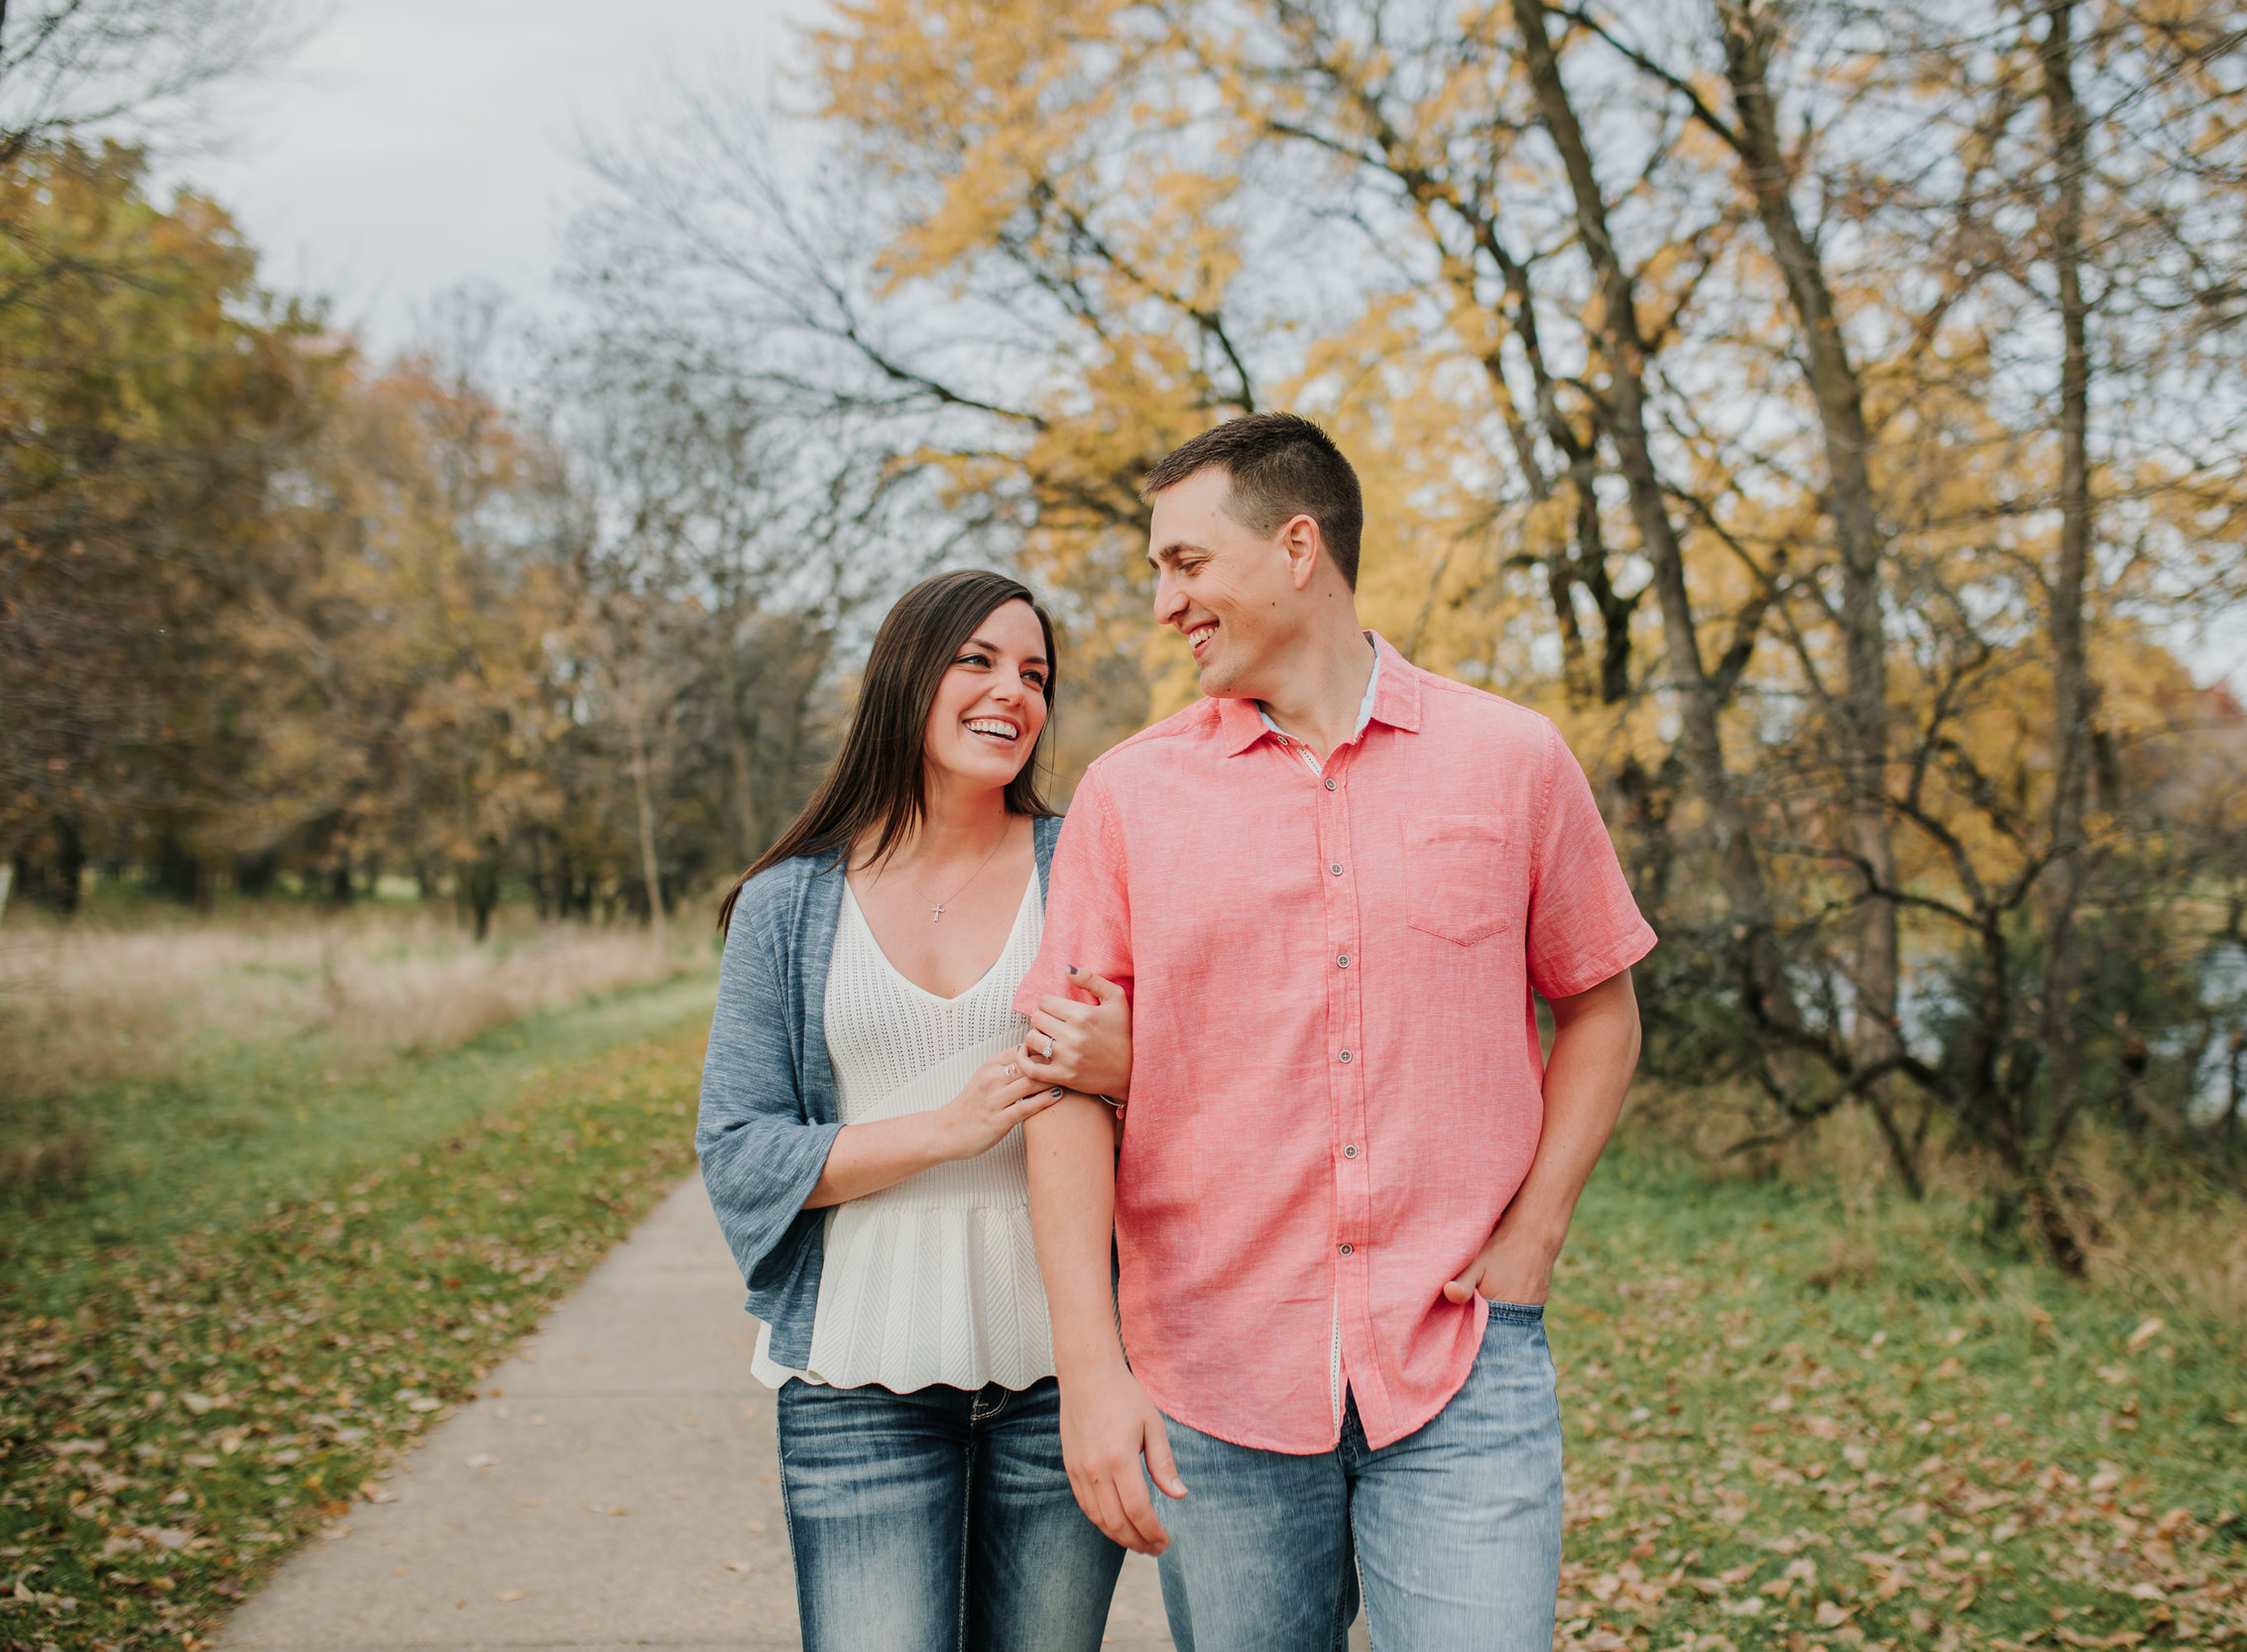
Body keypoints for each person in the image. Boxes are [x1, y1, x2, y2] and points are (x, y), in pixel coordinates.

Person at [1015, 414, 1655, 1652]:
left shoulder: (1511, 759)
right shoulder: (1129, 798)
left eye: (1186, 563)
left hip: (1460, 1361)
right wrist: (1090, 1371)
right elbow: (1063, 1091)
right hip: (1214, 1384)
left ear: (1297, 546)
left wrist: (1535, 1235)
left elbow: (1599, 1004)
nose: (1165, 602)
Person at [696, 569, 1133, 1652]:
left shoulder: (1082, 860)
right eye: (977, 660)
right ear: (906, 676)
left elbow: (1205, 1087)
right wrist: (946, 1124)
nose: (1012, 692)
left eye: (1033, 673)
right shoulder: (787, 902)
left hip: (1058, 1365)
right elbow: (740, 1149)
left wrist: (1127, 1066)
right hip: (857, 1370)